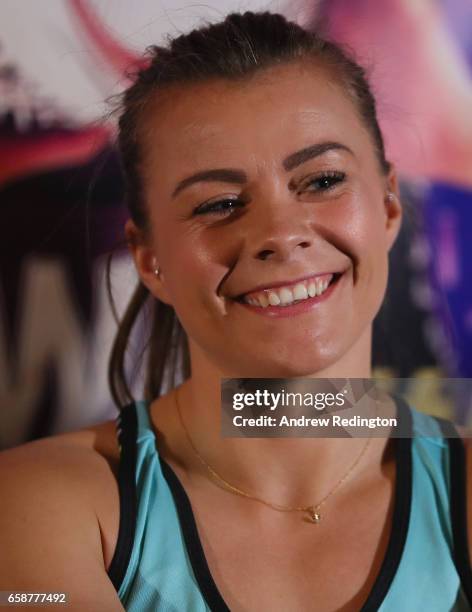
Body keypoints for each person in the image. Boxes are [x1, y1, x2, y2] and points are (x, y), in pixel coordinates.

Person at [0, 10, 471, 612]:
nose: (279, 232)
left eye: (323, 180)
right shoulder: (37, 506)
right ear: (150, 261)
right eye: (219, 203)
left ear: (386, 207)